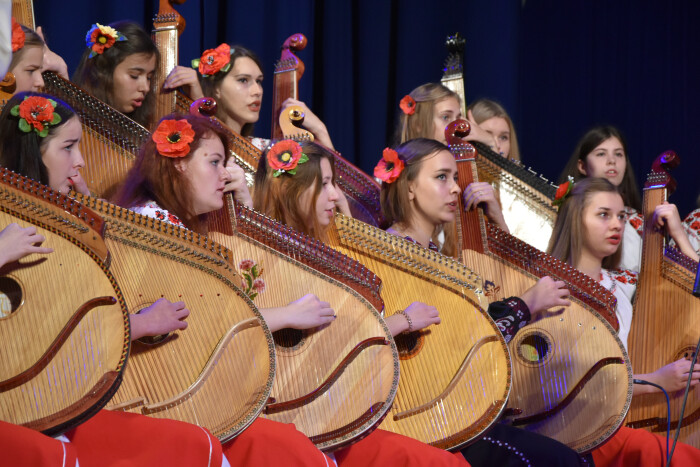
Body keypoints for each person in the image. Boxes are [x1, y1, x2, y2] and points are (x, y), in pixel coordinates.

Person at [546, 176, 700, 465]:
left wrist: (678, 235)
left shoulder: (622, 286)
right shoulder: (552, 289)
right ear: (575, 220)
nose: (617, 224)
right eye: (604, 215)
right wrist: (655, 382)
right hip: (576, 426)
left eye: (620, 216)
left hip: (619, 419)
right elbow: (569, 379)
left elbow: (697, 290)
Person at [558, 126, 699, 270]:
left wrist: (679, 235)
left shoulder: (640, 222)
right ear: (582, 166)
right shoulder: (568, 213)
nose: (611, 161)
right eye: (601, 154)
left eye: (618, 154)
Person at [72, 21, 158, 129]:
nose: (146, 88)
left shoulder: (146, 127)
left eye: (149, 78)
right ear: (103, 71)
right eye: (134, 76)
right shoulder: (74, 124)